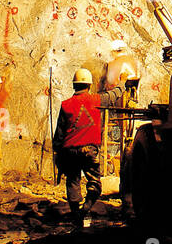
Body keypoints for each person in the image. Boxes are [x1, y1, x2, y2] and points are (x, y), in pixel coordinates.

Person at [53, 68, 126, 229]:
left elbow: (59, 132)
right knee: (95, 183)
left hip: (70, 150)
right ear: (89, 85)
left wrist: (57, 152)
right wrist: (122, 83)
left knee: (73, 182)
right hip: (89, 150)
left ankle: (75, 215)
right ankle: (85, 209)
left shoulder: (66, 105)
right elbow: (113, 96)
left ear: (74, 85)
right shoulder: (96, 100)